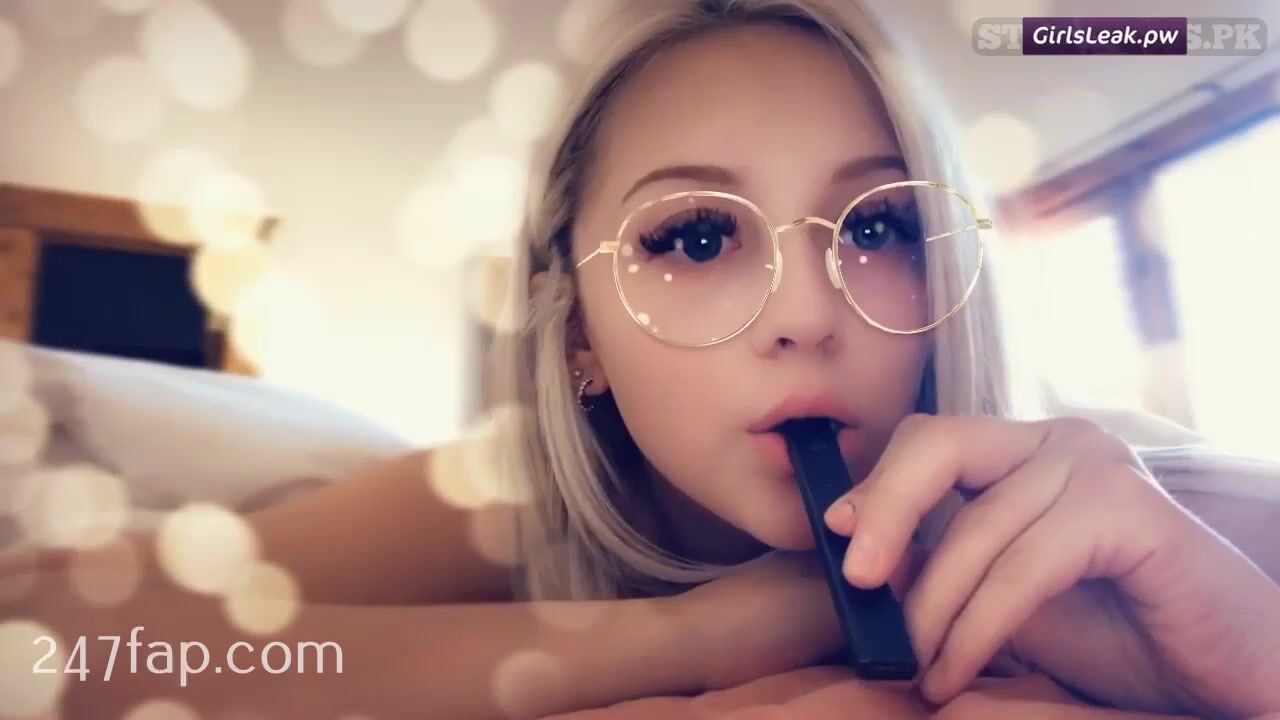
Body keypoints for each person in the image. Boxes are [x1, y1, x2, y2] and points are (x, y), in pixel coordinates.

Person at [7, 1, 1279, 719]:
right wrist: (700, 637)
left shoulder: (1125, 512)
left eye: (876, 225)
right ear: (579, 341)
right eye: (696, 237)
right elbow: (50, 635)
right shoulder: (516, 496)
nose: (805, 312)